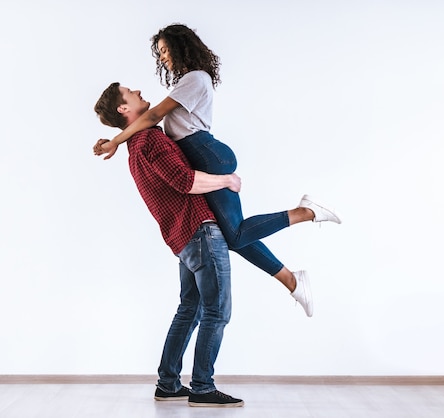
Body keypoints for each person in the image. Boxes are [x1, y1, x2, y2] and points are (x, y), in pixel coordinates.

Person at [94, 23, 341, 317]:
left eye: (163, 51)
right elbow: (149, 123)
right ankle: (291, 279)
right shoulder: (184, 83)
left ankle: (306, 214)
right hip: (201, 156)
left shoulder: (195, 78)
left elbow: (154, 115)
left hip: (206, 154)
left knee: (235, 234)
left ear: (178, 46)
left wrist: (115, 141)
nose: (161, 58)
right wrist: (118, 142)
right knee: (233, 235)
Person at [94, 82, 244, 407]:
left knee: (190, 309)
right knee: (216, 312)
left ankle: (168, 384)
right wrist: (226, 180)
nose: (137, 89)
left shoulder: (136, 146)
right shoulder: (149, 139)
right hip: (200, 232)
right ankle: (203, 387)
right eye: (129, 91)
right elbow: (185, 181)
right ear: (124, 108)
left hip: (183, 238)